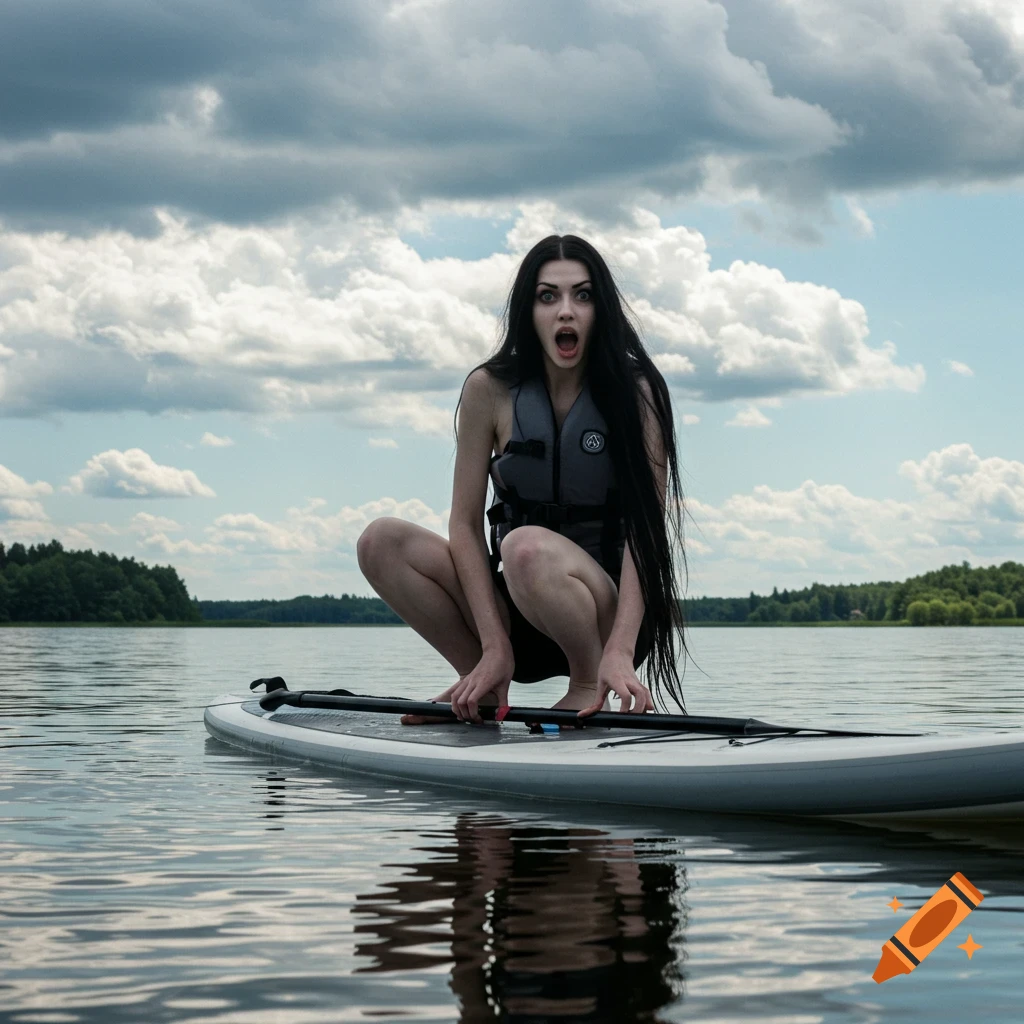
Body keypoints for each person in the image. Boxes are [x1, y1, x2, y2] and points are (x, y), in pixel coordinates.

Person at [356, 234, 687, 723]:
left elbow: (647, 533)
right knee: (381, 541)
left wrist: (620, 649)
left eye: (583, 295)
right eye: (548, 296)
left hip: (609, 624)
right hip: (514, 618)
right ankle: (484, 680)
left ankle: (586, 683)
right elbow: (464, 525)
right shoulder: (488, 389)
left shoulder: (638, 392)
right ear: (527, 311)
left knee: (525, 548)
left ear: (602, 309)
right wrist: (494, 644)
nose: (566, 311)